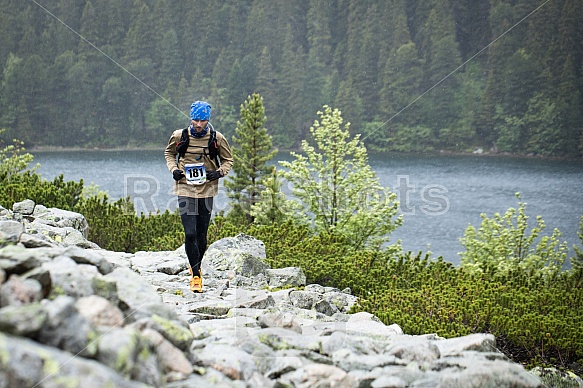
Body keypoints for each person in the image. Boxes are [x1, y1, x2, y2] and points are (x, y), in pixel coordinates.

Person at [164, 100, 233, 293]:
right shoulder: (180, 136)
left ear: (208, 120)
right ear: (190, 118)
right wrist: (174, 169)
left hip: (207, 189)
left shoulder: (217, 138)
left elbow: (228, 160)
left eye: (202, 120)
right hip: (185, 188)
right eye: (195, 120)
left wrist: (219, 172)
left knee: (202, 235)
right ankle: (195, 275)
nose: (199, 124)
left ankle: (197, 265)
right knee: (190, 233)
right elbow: (169, 153)